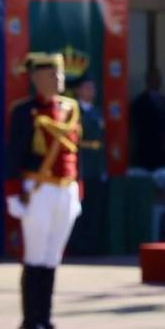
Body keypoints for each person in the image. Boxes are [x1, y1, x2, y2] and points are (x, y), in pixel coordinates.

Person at [6, 52, 81, 329]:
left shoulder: (69, 108)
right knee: (35, 257)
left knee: (52, 259)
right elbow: (13, 154)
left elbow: (75, 152)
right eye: (51, 75)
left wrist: (78, 189)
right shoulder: (24, 111)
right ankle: (31, 324)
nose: (57, 80)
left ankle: (47, 320)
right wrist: (13, 192)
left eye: (59, 75)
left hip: (65, 188)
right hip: (38, 189)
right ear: (36, 79)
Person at [68, 76, 110, 254]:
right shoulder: (73, 111)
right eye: (87, 88)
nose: (91, 91)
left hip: (96, 165)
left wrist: (103, 167)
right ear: (78, 90)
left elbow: (101, 142)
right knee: (80, 209)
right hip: (81, 163)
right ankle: (77, 245)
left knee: (95, 208)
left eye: (93, 88)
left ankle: (93, 245)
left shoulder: (98, 112)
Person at [128, 68, 165, 171]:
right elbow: (137, 125)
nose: (157, 83)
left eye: (158, 80)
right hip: (146, 147)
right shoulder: (140, 102)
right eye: (154, 80)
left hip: (162, 148)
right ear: (148, 82)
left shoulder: (164, 100)